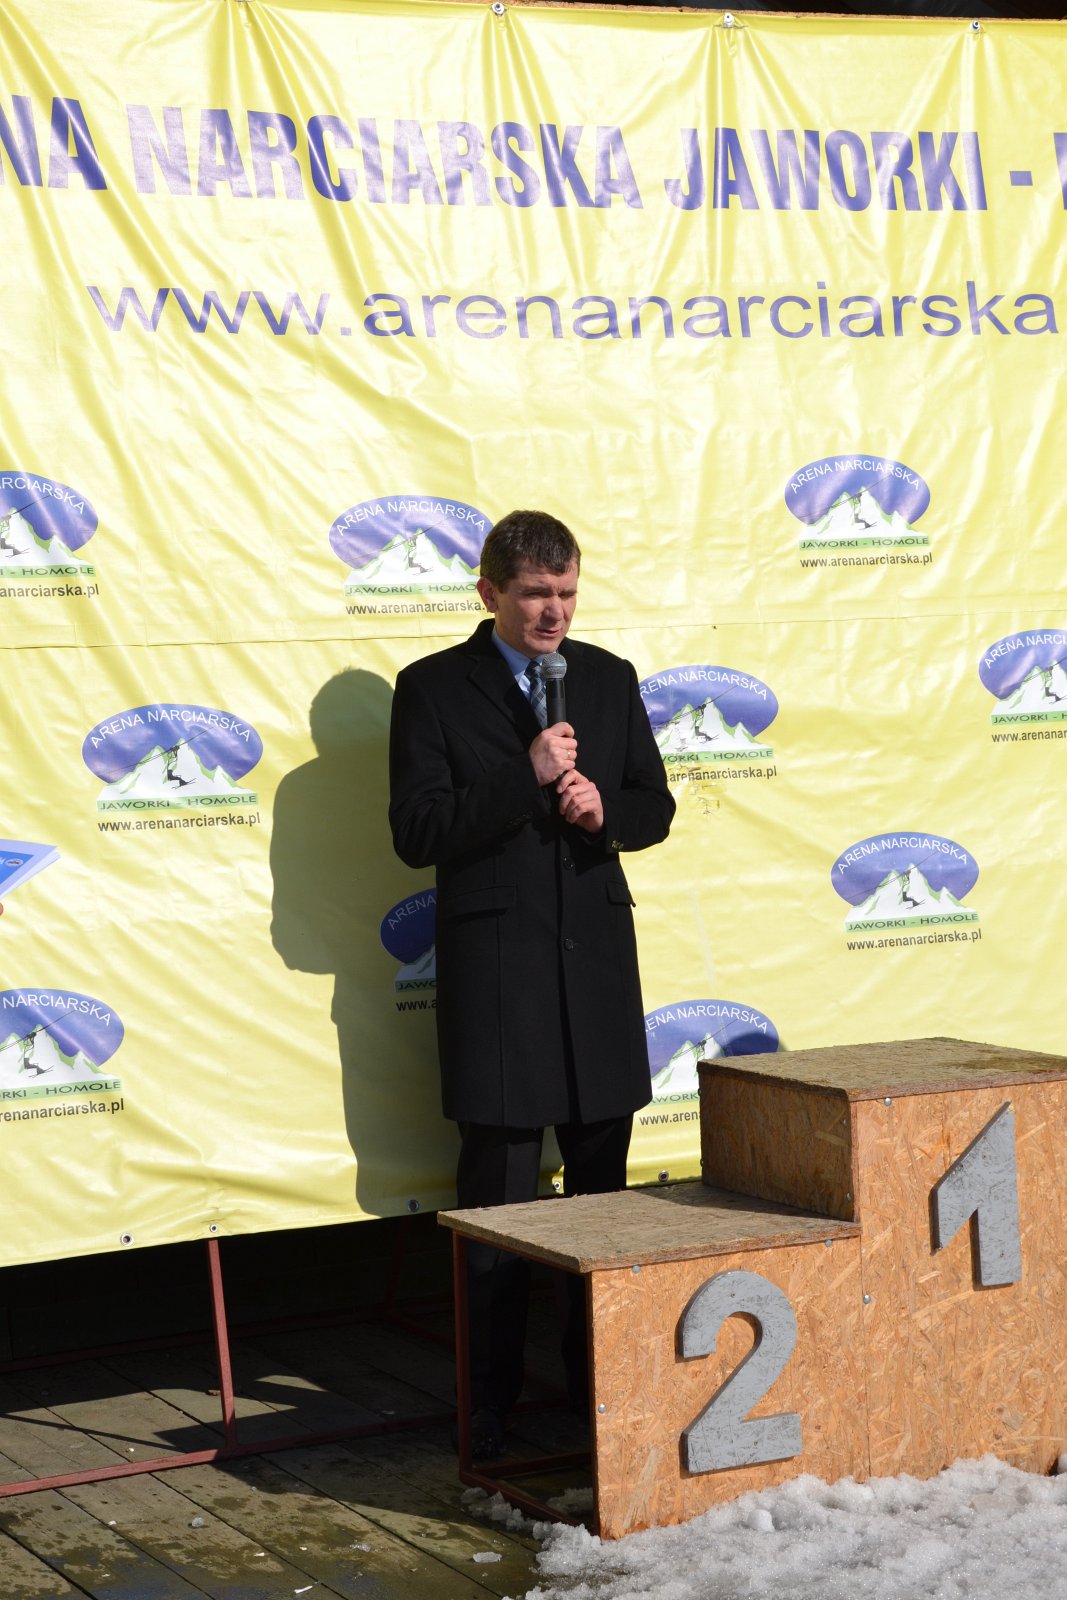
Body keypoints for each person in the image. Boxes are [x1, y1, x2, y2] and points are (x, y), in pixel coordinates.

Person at [388, 508, 675, 1456]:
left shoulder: (607, 677)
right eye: (533, 595)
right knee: (500, 1214)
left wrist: (604, 814)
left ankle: (603, 1399)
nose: (553, 612)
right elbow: (417, 832)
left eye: (566, 594)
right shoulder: (432, 687)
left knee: (603, 1207)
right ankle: (489, 1411)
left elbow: (654, 804)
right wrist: (526, 774)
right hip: (499, 984)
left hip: (595, 975)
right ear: (489, 593)